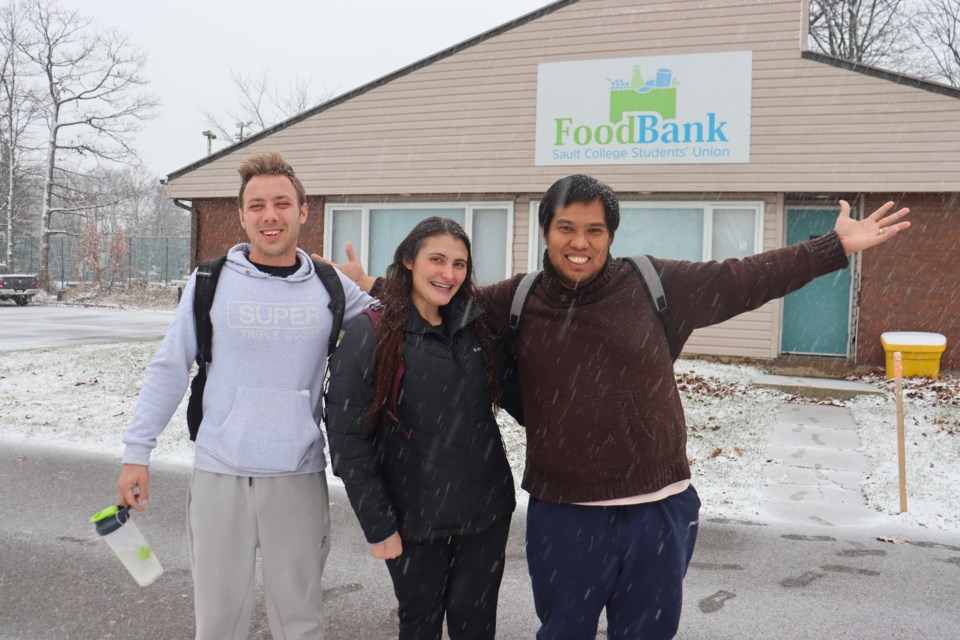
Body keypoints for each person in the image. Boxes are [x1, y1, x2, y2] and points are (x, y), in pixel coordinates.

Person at [330, 174, 910, 639]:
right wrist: (378, 286)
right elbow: (439, 293)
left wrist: (833, 247)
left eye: (594, 230)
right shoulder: (517, 297)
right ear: (545, 231)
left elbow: (745, 278)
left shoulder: (656, 284)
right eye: (565, 227)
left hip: (659, 510)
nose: (579, 242)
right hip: (565, 514)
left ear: (611, 235)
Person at [116, 152, 372, 640]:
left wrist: (367, 281)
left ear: (303, 211)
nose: (269, 215)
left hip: (297, 475)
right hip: (219, 474)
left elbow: (402, 321)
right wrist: (136, 454)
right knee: (217, 623)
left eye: (281, 203)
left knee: (300, 622)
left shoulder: (331, 286)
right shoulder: (209, 283)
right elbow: (169, 368)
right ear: (241, 216)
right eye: (256, 205)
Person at [325, 217, 523, 640]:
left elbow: (523, 399)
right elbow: (347, 440)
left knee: (476, 625)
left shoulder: (479, 328)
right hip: (413, 522)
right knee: (420, 625)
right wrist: (379, 526)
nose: (448, 274)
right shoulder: (372, 334)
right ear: (409, 261)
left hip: (485, 517)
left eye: (459, 264)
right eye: (437, 260)